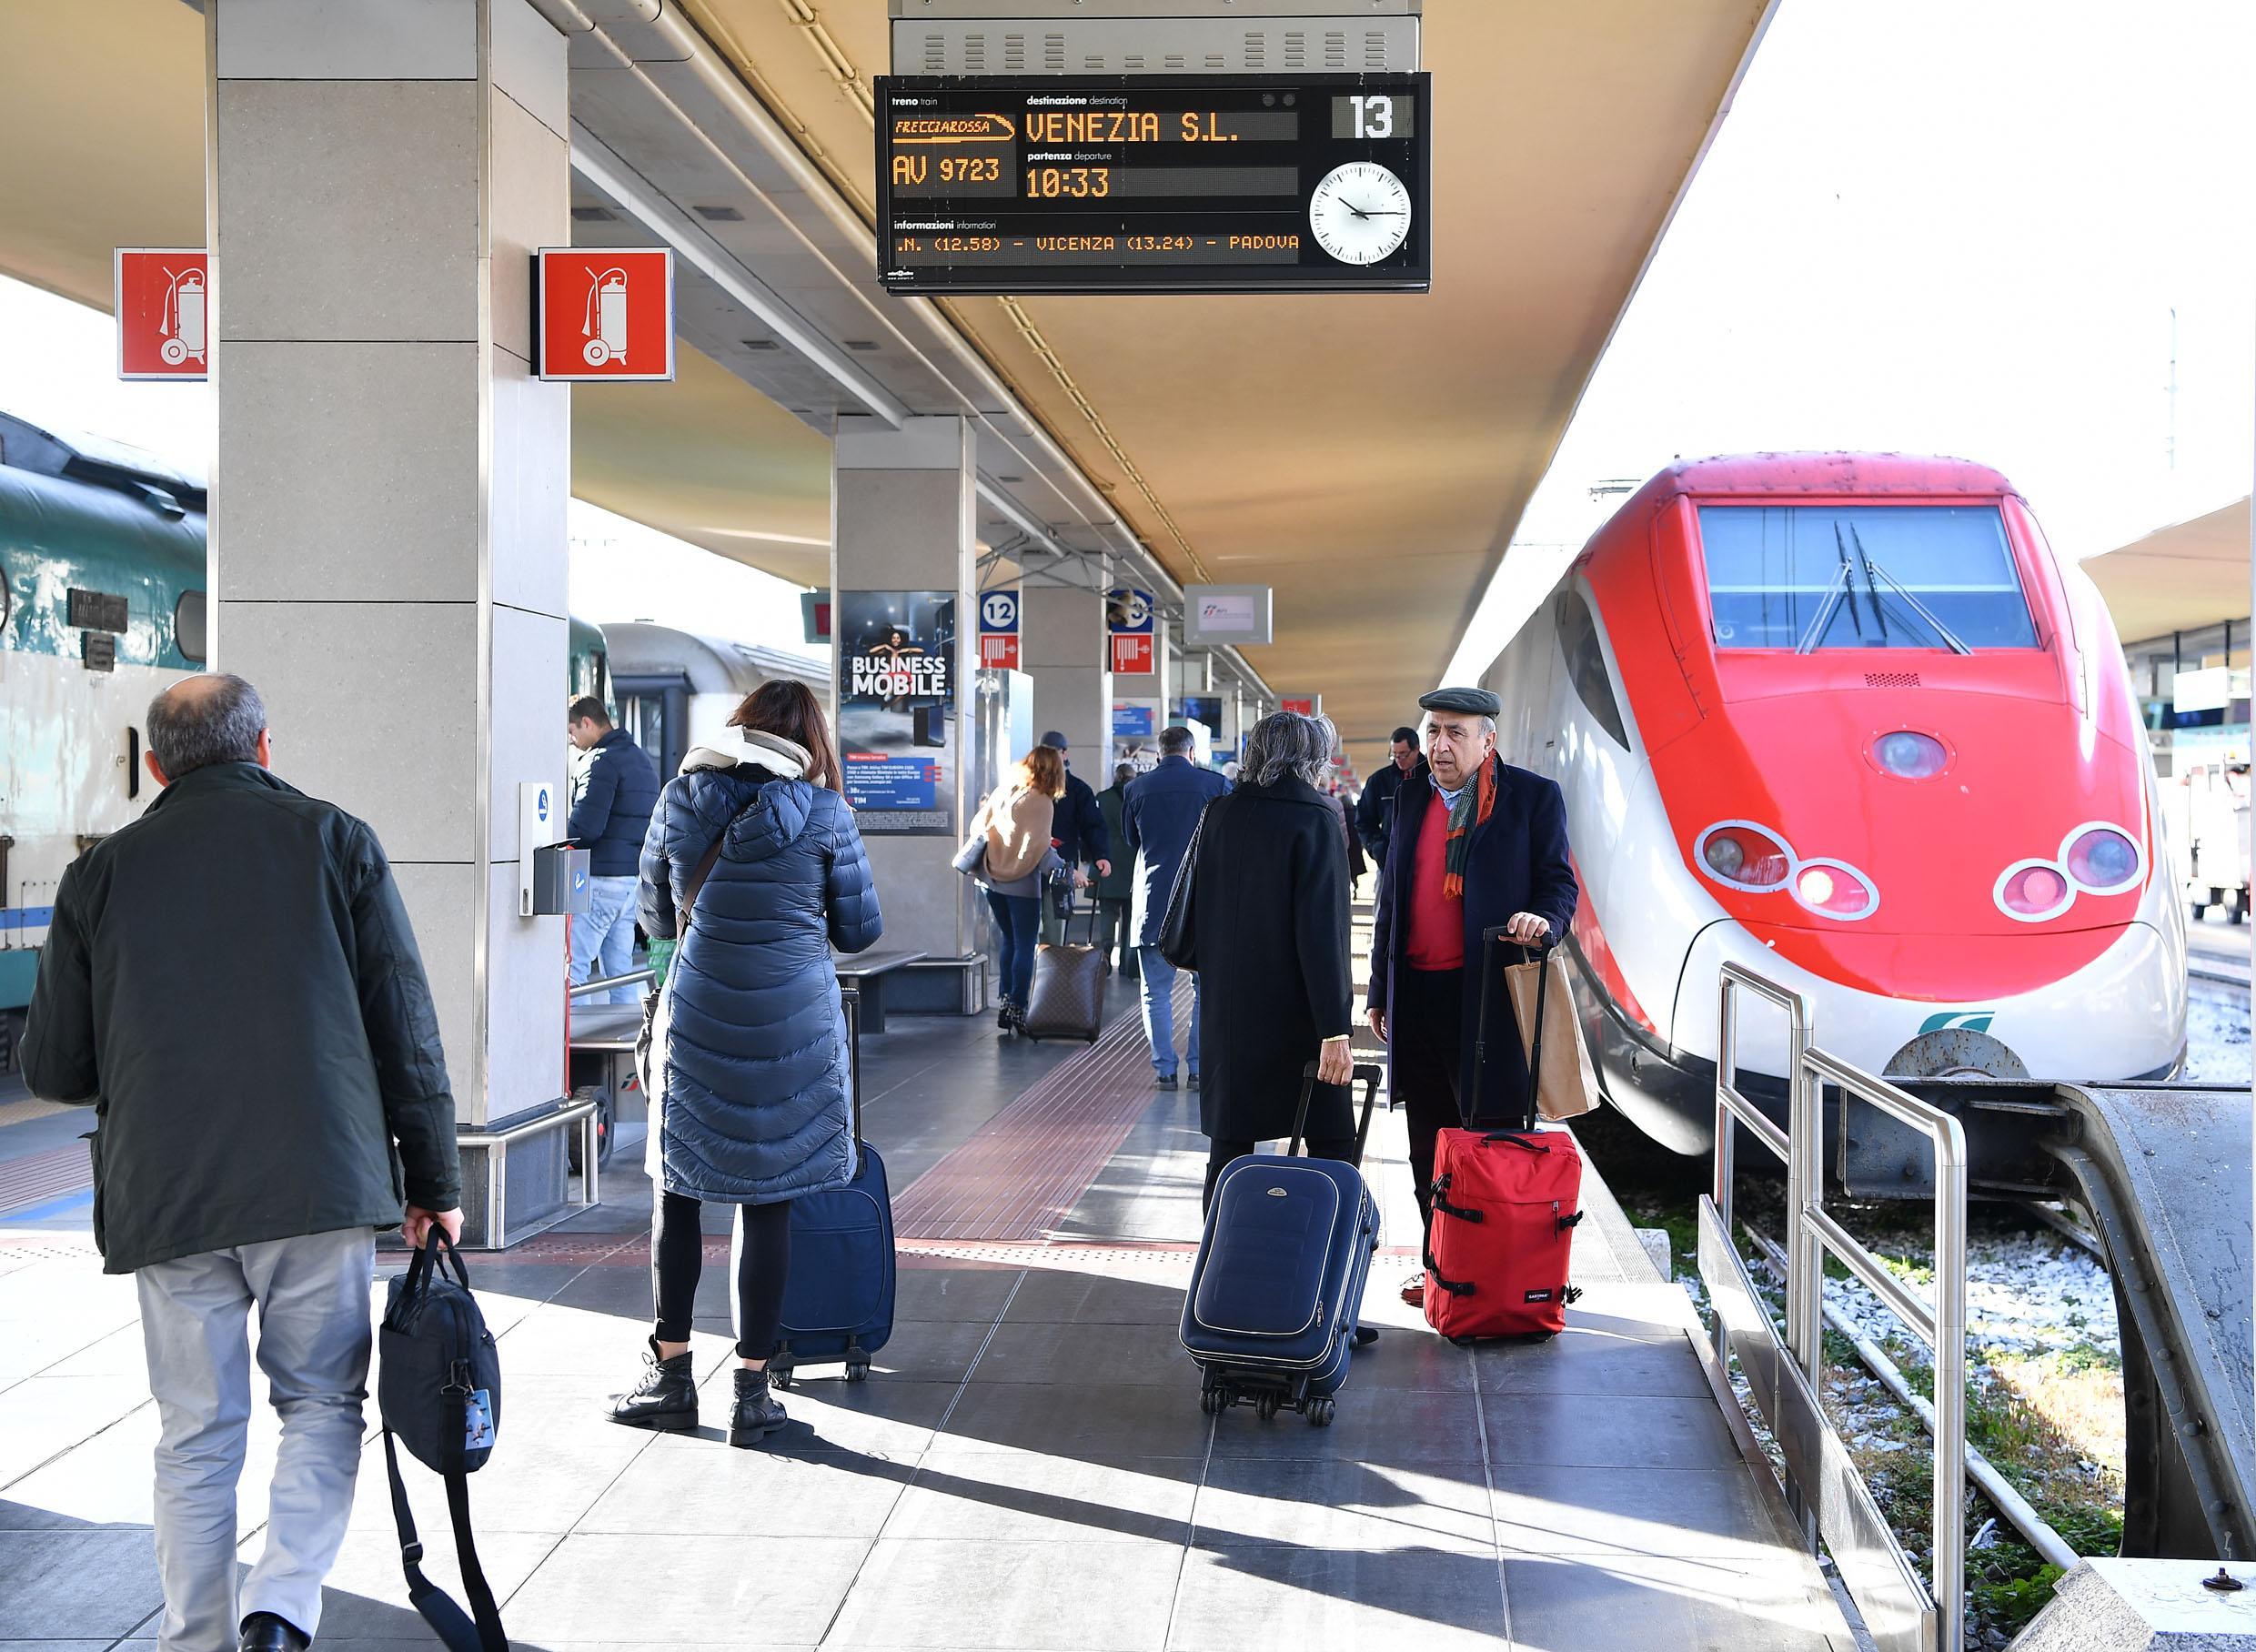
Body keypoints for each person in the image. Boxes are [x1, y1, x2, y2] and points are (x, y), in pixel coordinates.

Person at [20, 673, 462, 1652]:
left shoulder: (99, 875)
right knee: (321, 1403)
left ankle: (197, 1639)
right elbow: (405, 1026)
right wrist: (435, 1181)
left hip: (167, 1195)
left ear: (154, 765)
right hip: (319, 1184)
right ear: (264, 747)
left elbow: (53, 1069)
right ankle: (281, 1610)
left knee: (194, 1434)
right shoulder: (334, 840)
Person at [607, 680, 881, 1446]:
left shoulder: (678, 799)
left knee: (678, 1195)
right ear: (808, 741)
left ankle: (670, 1378)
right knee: (770, 1203)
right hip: (795, 1023)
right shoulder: (826, 812)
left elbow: (655, 917)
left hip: (698, 1017)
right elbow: (859, 931)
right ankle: (752, 1392)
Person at [1367, 687, 1577, 1306]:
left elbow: (1558, 883)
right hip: (1417, 996)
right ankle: (1441, 1269)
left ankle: (1496, 1281)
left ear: (1488, 741)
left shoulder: (1530, 798)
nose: (1440, 745)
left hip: (1488, 1001)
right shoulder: (1409, 797)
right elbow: (1391, 899)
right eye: (1434, 731)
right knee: (1428, 1145)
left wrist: (1543, 920)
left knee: (1493, 1142)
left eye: (1455, 733)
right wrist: (1380, 989)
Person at [1184, 710, 1359, 1208]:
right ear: (1310, 757)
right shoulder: (1315, 819)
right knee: (1331, 1141)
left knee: (1230, 1145)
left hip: (1230, 1012)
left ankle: (1220, 1245)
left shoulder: (1221, 813)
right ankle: (1327, 1242)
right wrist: (1335, 1030)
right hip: (1301, 1016)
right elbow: (1324, 934)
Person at [1123, 725, 1230, 1089]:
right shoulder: (1216, 785)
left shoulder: (1136, 789)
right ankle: (1198, 1068)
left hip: (1153, 903)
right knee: (1205, 991)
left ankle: (1165, 1070)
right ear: (1192, 752)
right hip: (1203, 903)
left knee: (1155, 992)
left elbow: (1132, 840)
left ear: (1158, 754)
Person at [971, 742, 1082, 1032]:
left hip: (991, 880)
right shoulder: (1042, 802)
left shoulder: (1006, 791)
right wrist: (1069, 872)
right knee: (1025, 944)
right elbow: (1039, 849)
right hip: (1021, 884)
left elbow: (978, 826)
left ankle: (1005, 999)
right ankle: (1017, 1007)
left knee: (1009, 940)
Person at [566, 694, 660, 1004]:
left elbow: (585, 829)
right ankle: (628, 1033)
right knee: (620, 973)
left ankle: (577, 1035)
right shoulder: (639, 759)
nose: (571, 740)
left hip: (601, 880)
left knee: (574, 970)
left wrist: (555, 838)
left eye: (572, 731)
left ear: (587, 722)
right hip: (630, 882)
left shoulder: (600, 762)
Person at [1035, 730, 1112, 946]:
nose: (1049, 759)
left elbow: (1093, 825)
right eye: (1045, 753)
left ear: (1065, 754)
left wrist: (1101, 855)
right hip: (1030, 871)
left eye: (1054, 753)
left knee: (1054, 934)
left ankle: (1048, 965)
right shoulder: (1030, 787)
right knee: (1027, 937)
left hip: (1059, 870)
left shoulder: (1078, 790)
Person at [1093, 761, 1140, 977]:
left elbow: (1093, 830)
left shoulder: (1102, 798)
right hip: (1133, 866)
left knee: (1107, 913)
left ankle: (1105, 958)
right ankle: (1127, 965)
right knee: (1131, 917)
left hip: (1107, 864)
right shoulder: (1138, 797)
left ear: (1116, 777)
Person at [1354, 725, 1422, 866]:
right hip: (1389, 861)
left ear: (1417, 749)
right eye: (1394, 754)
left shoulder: (1433, 778)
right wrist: (1377, 848)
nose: (1398, 759)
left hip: (1424, 859)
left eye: (1403, 754)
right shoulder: (1378, 781)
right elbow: (1363, 821)